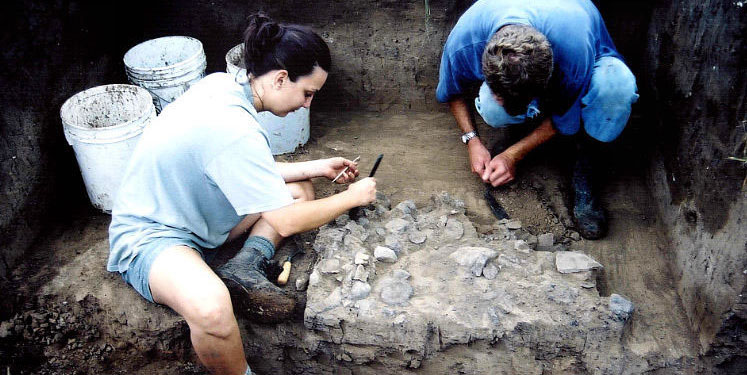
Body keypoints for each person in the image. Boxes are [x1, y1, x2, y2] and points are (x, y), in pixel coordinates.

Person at [108, 13, 377, 375]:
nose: (307, 103)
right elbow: (284, 218)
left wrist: (317, 166)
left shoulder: (223, 86)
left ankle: (245, 265)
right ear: (281, 78)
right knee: (212, 309)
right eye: (308, 93)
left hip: (198, 217)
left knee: (299, 187)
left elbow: (240, 170)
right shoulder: (234, 127)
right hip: (153, 236)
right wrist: (352, 197)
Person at [437, 0, 639, 239]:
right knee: (493, 109)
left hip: (588, 54)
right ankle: (520, 128)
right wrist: (472, 141)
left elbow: (564, 115)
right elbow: (451, 92)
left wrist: (514, 154)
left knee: (615, 88)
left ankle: (586, 159)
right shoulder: (466, 41)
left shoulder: (573, 45)